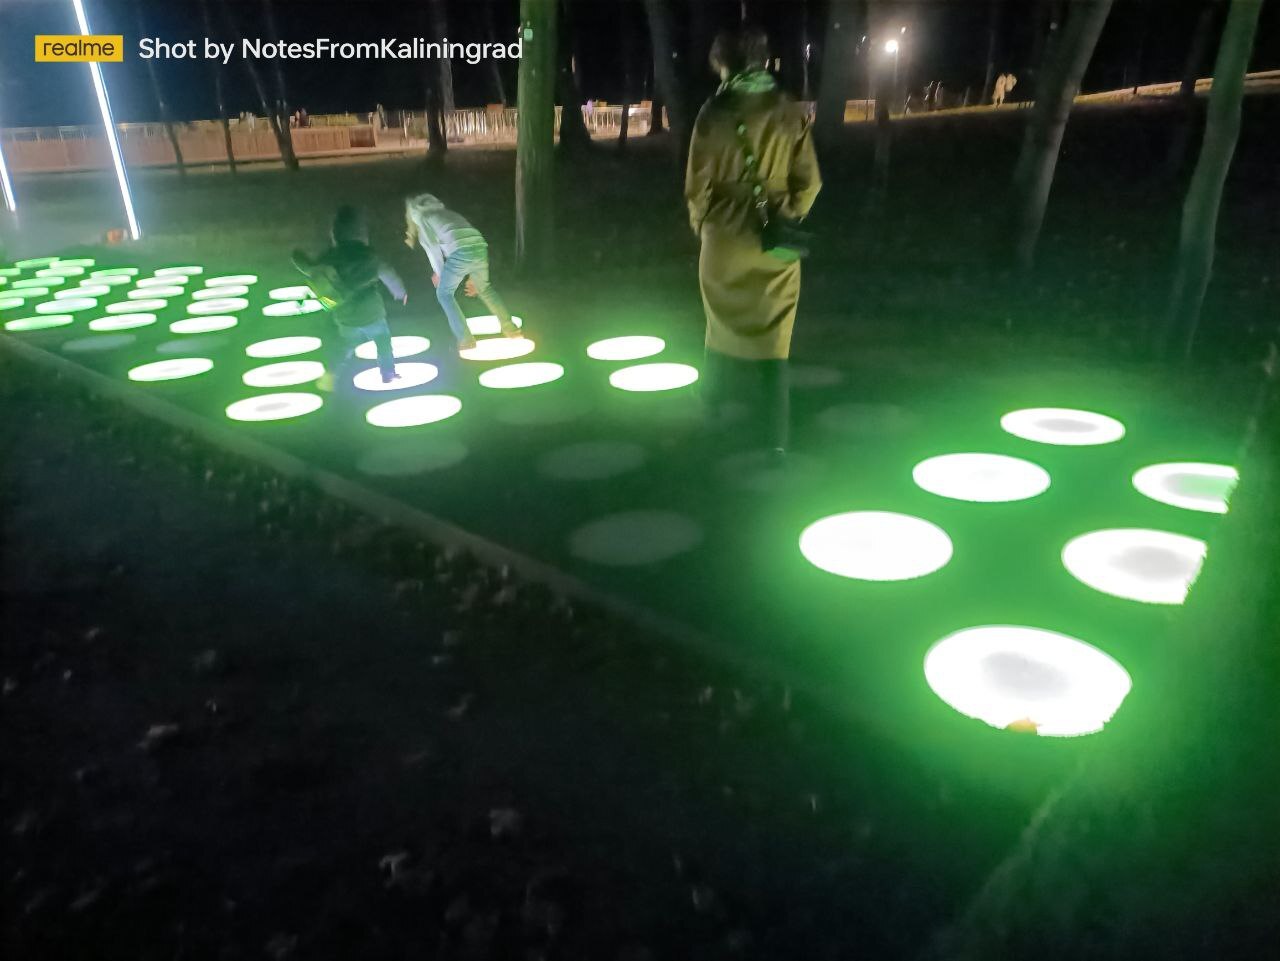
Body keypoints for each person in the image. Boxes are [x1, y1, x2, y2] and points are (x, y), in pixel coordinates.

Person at [685, 25, 821, 456]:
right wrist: (786, 214)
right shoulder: (789, 111)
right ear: (762, 60)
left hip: (723, 238)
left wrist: (704, 226)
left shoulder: (714, 113)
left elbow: (696, 188)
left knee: (719, 330)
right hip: (774, 240)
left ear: (724, 64)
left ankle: (712, 426)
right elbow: (811, 182)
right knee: (774, 340)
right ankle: (775, 442)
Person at [292, 205, 406, 391]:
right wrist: (400, 292)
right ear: (362, 235)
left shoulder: (329, 257)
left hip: (344, 314)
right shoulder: (369, 256)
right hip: (372, 312)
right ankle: (388, 373)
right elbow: (388, 273)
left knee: (346, 344)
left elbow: (316, 274)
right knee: (383, 340)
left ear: (335, 235)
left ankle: (332, 373)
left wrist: (303, 293)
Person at [403, 193, 522, 352]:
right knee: (484, 289)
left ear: (414, 214)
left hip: (461, 252)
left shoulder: (424, 218)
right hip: (480, 247)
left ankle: (465, 340)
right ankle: (511, 330)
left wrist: (439, 273)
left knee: (444, 294)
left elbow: (432, 249)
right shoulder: (447, 213)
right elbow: (463, 237)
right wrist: (472, 275)